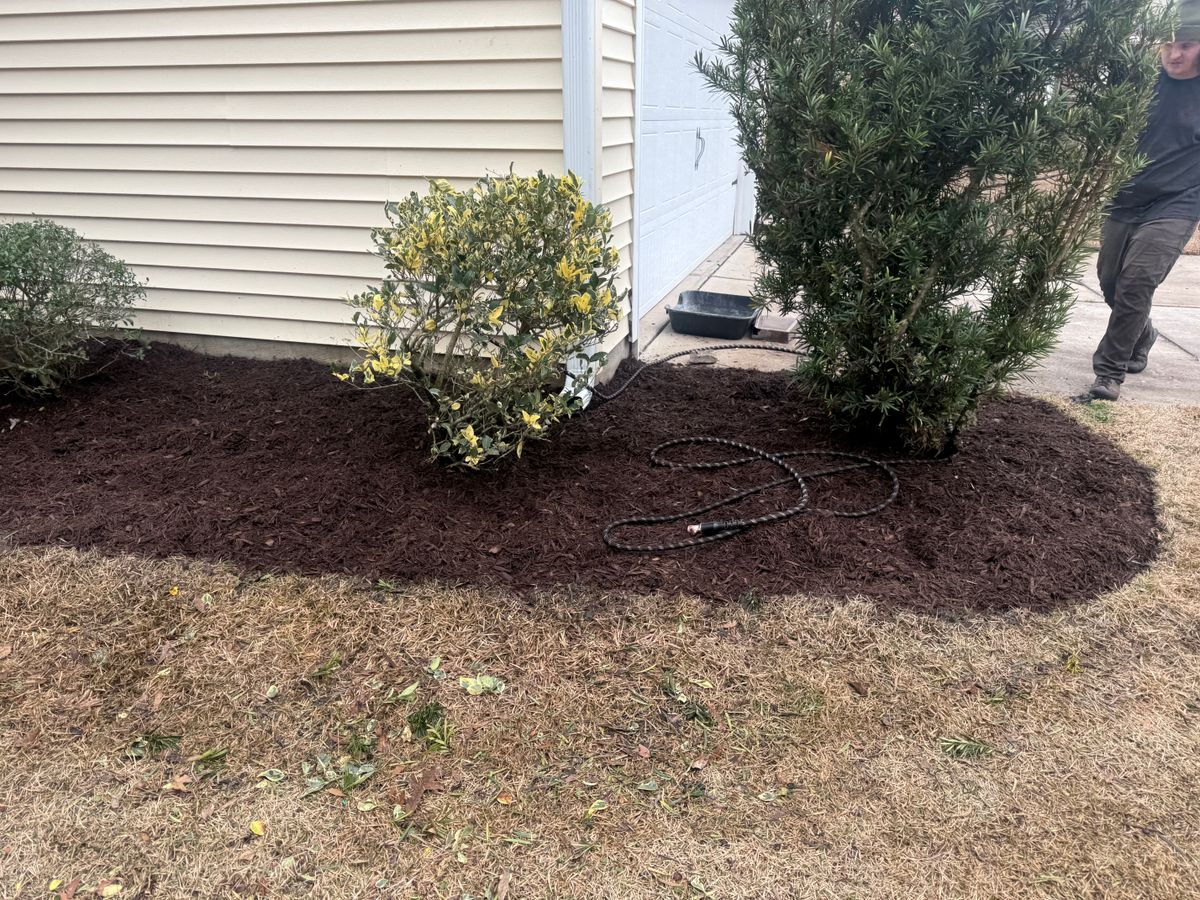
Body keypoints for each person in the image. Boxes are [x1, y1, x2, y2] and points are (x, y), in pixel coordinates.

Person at [1081, 4, 1200, 401]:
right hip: (1126, 196)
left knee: (1137, 281)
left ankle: (1109, 373)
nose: (1174, 54)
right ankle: (1143, 332)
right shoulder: (1142, 81)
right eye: (1167, 44)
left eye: (1186, 45)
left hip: (1178, 202)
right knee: (1110, 281)